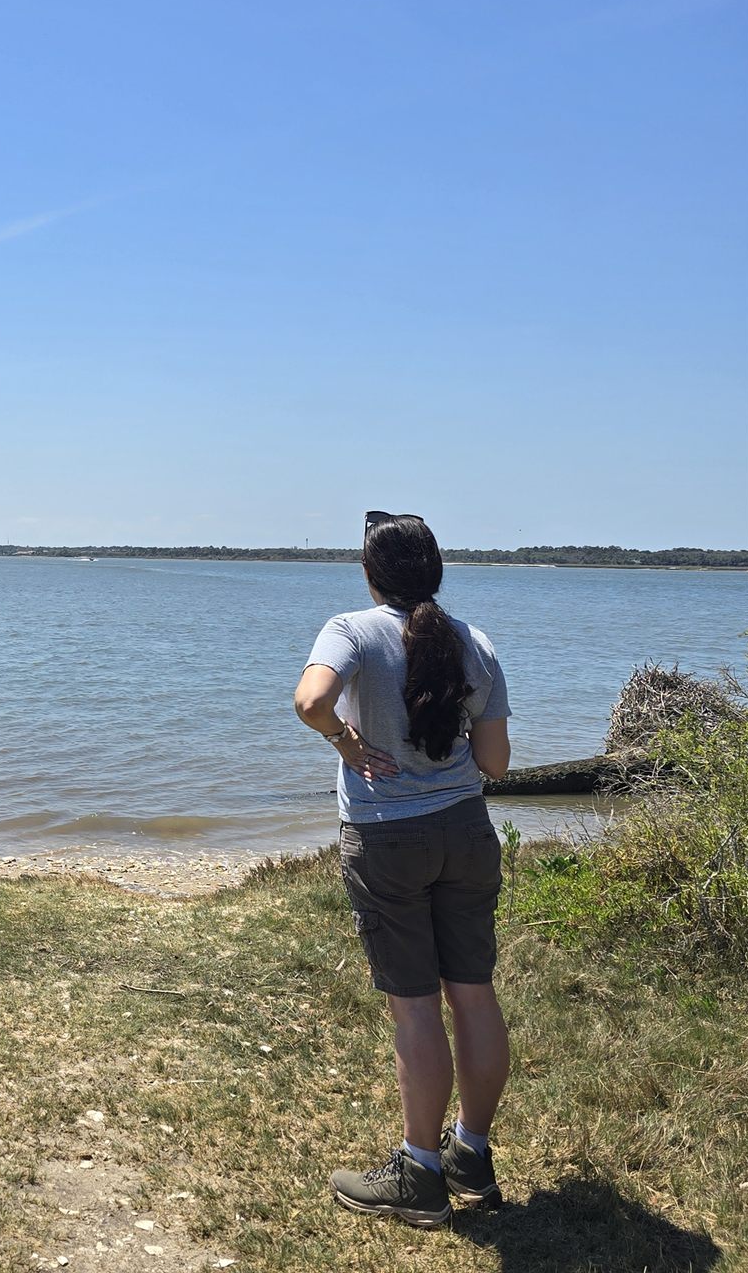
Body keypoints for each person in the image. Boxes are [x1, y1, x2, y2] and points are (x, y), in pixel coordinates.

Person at [292, 511, 512, 1229]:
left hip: (388, 839)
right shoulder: (474, 642)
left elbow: (311, 701)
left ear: (369, 573)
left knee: (415, 1007)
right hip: (467, 832)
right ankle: (470, 1155)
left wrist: (346, 742)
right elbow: (495, 763)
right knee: (473, 995)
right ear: (436, 571)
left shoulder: (352, 630)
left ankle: (420, 1175)